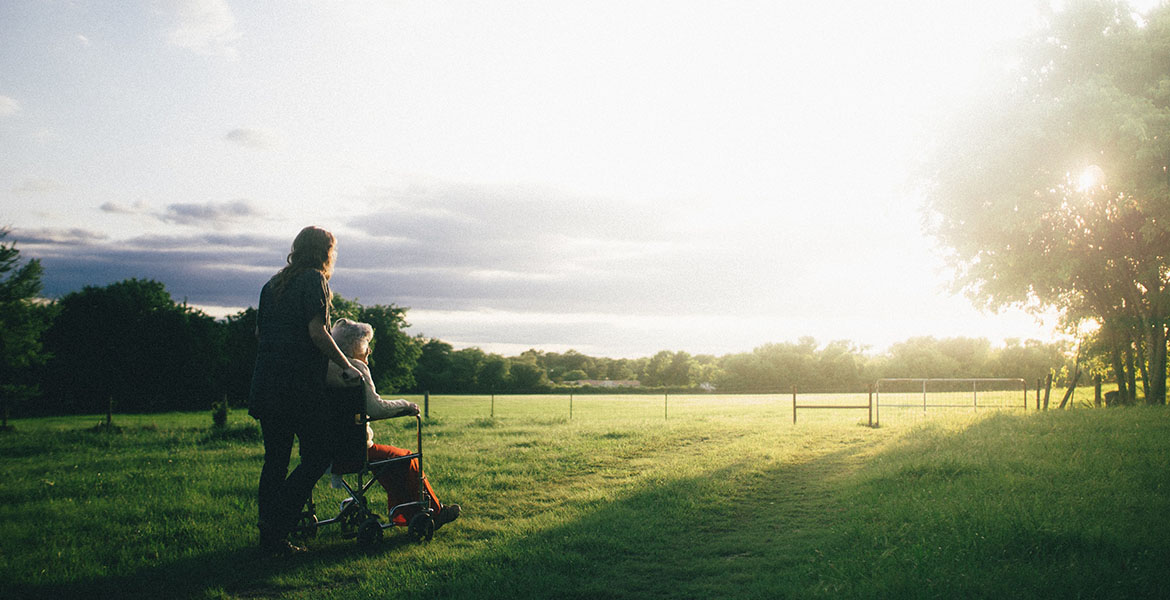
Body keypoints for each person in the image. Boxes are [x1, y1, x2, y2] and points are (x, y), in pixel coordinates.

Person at [249, 226, 363, 556]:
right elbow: (318, 332)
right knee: (317, 456)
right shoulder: (314, 280)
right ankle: (277, 525)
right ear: (325, 252)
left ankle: (269, 537)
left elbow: (260, 333)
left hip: (266, 384)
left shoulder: (271, 285)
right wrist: (346, 365)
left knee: (275, 461)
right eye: (333, 250)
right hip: (297, 388)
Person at [325, 318, 461, 530]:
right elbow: (376, 408)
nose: (369, 350)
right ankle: (434, 511)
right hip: (355, 450)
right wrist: (406, 405)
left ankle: (404, 514)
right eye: (366, 344)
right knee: (406, 457)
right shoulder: (356, 368)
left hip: (328, 450)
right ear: (356, 346)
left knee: (390, 461)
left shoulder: (325, 367)